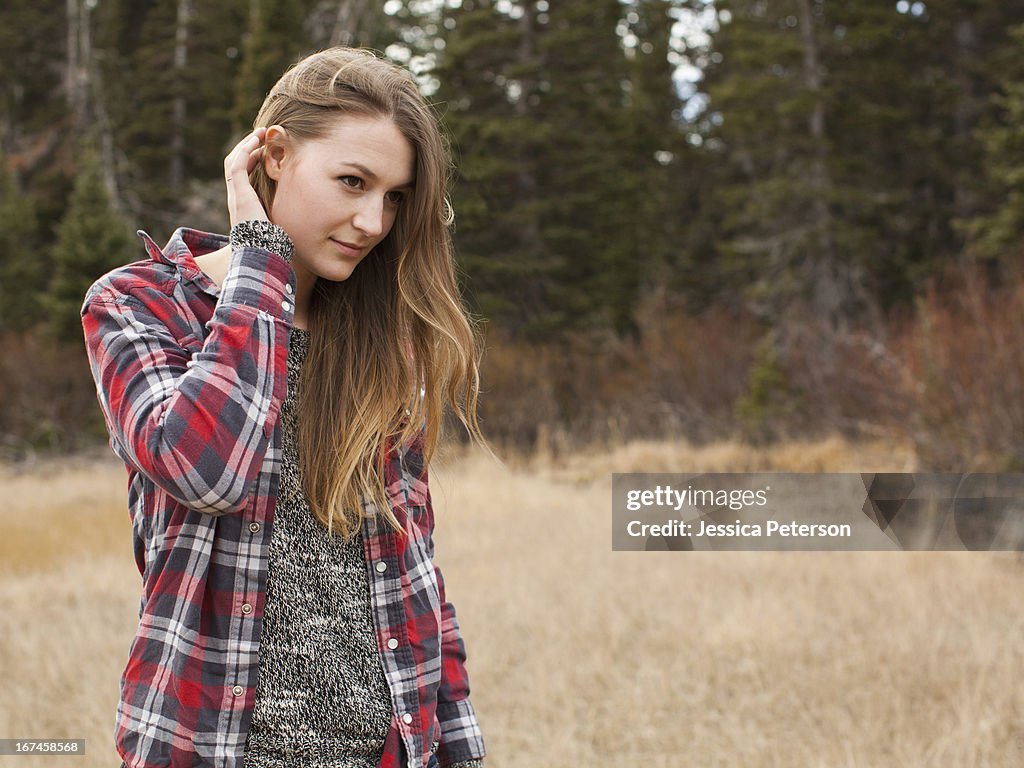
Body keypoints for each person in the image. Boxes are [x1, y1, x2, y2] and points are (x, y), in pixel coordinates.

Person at [80, 46, 490, 768]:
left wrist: (461, 748)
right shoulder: (138, 303)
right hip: (215, 747)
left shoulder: (380, 338)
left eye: (394, 197)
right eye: (352, 182)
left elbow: (416, 577)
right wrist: (258, 261)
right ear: (271, 156)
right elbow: (206, 470)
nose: (373, 221)